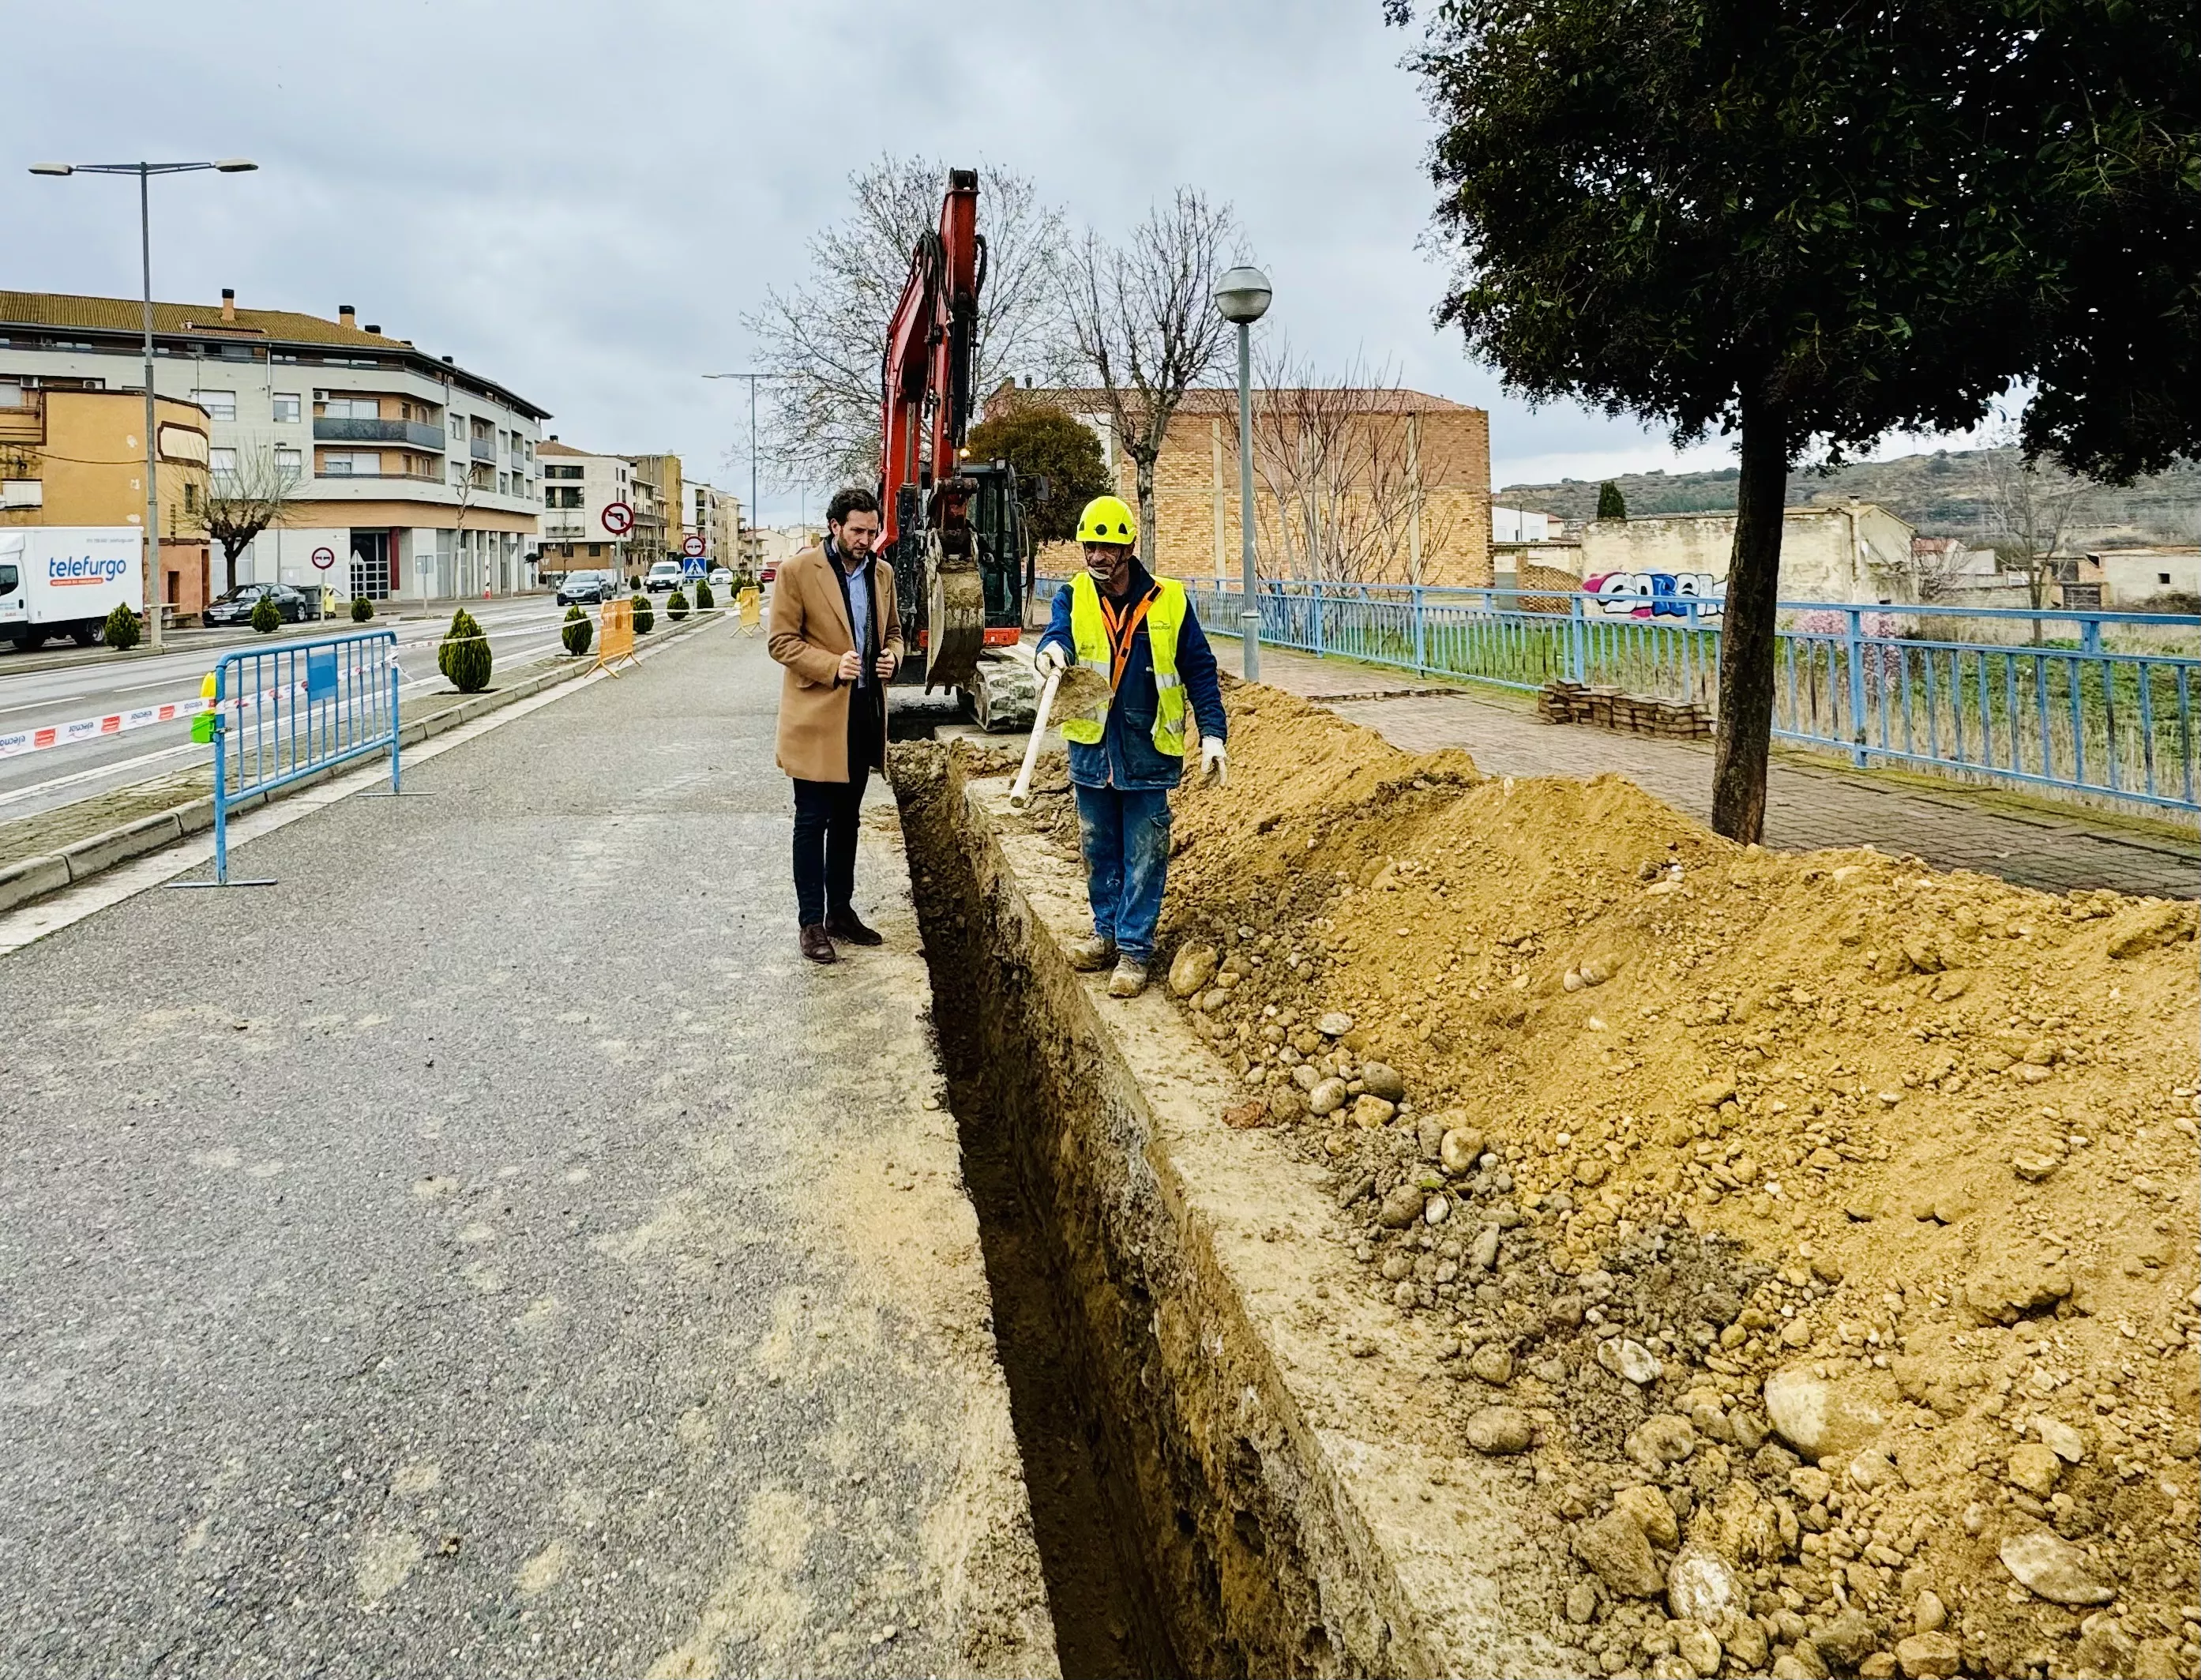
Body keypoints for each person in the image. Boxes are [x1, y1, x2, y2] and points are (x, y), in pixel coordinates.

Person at [1034, 494, 1228, 998]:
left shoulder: (1169, 600)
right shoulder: (1074, 595)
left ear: (1128, 548)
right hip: (1093, 752)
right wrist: (1050, 652)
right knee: (1100, 849)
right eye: (1089, 547)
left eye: (1106, 547)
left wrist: (1212, 734)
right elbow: (1058, 635)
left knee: (1145, 852)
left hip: (1148, 751)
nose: (1096, 557)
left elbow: (1199, 670)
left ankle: (1135, 951)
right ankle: (1106, 934)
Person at [768, 486, 903, 963]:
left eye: (872, 531)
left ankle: (840, 913)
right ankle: (810, 923)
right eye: (858, 531)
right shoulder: (798, 571)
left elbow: (893, 633)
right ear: (835, 527)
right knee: (812, 821)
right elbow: (780, 642)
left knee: (848, 820)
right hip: (816, 718)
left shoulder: (882, 574)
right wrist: (830, 665)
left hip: (864, 717)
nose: (867, 540)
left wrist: (892, 658)